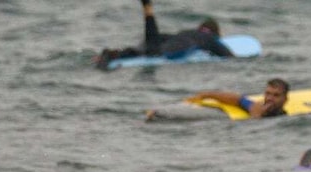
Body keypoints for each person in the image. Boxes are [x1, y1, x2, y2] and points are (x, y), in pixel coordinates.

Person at [95, 0, 233, 71]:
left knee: (146, 47)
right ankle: (148, 10)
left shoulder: (185, 32)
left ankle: (115, 54)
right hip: (173, 47)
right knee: (155, 52)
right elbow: (228, 56)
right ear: (216, 34)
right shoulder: (209, 39)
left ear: (200, 28)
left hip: (168, 39)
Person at [185, 78, 290, 119]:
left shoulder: (283, 118)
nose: (270, 98)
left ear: (285, 99)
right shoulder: (256, 107)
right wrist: (207, 95)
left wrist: (256, 116)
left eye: (276, 95)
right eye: (268, 94)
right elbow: (238, 99)